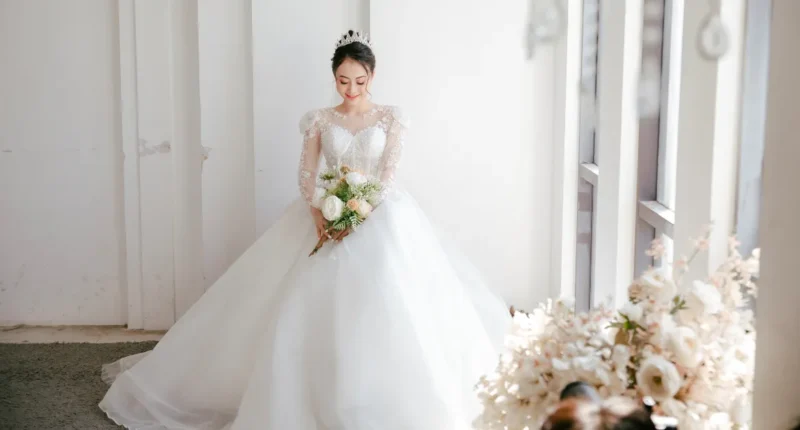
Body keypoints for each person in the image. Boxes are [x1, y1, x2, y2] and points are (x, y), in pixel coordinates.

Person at [98, 29, 511, 429]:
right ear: (334, 76)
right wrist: (321, 214)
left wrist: (361, 210)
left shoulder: (390, 119)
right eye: (343, 80)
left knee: (392, 299)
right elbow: (306, 173)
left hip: (381, 215)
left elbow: (387, 175)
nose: (350, 89)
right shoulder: (319, 120)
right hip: (325, 213)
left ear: (372, 76)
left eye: (359, 81)